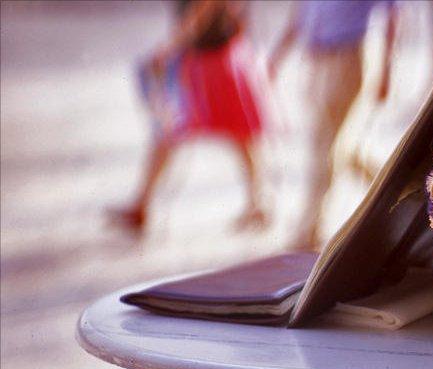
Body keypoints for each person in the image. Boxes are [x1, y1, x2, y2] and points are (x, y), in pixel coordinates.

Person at [112, 0, 267, 235]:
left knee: (172, 132)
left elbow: (201, 10)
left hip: (208, 63)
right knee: (239, 136)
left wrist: (169, 48)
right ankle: (258, 201)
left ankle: (141, 204)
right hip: (218, 58)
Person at [268, 0, 398, 250]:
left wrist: (386, 70)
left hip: (345, 55)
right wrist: (279, 53)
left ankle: (308, 229)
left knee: (323, 144)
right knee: (337, 146)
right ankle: (392, 189)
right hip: (314, 58)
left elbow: (391, 14)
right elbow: (302, 12)